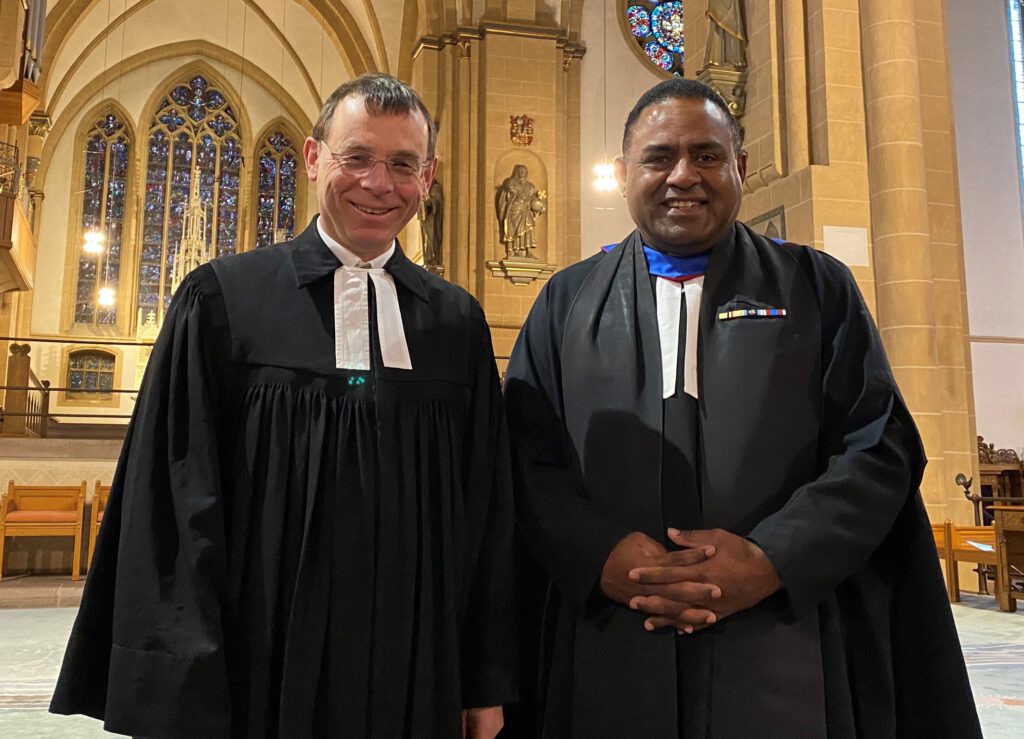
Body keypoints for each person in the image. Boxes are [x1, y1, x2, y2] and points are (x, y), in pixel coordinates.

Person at [503, 78, 980, 738]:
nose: (682, 176)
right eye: (658, 157)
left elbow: (879, 446)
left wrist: (771, 559)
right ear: (621, 174)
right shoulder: (566, 302)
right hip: (611, 629)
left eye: (706, 155)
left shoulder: (817, 287)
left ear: (741, 167)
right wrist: (603, 555)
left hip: (783, 630)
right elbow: (525, 457)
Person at [50, 74, 514, 739]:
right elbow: (175, 507)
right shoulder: (222, 302)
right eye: (357, 157)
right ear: (313, 157)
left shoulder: (455, 323)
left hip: (413, 667)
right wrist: (185, 686)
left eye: (402, 164)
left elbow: (484, 516)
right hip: (257, 665)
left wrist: (483, 679)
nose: (379, 183)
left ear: (428, 178)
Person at [496, 164, 545, 258]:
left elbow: (532, 199)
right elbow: (506, 194)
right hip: (514, 209)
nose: (522, 173)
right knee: (515, 230)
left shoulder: (530, 186)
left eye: (524, 171)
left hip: (526, 210)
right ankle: (515, 250)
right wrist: (511, 192)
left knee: (528, 229)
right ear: (517, 173)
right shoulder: (511, 182)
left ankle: (528, 251)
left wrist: (539, 206)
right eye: (521, 171)